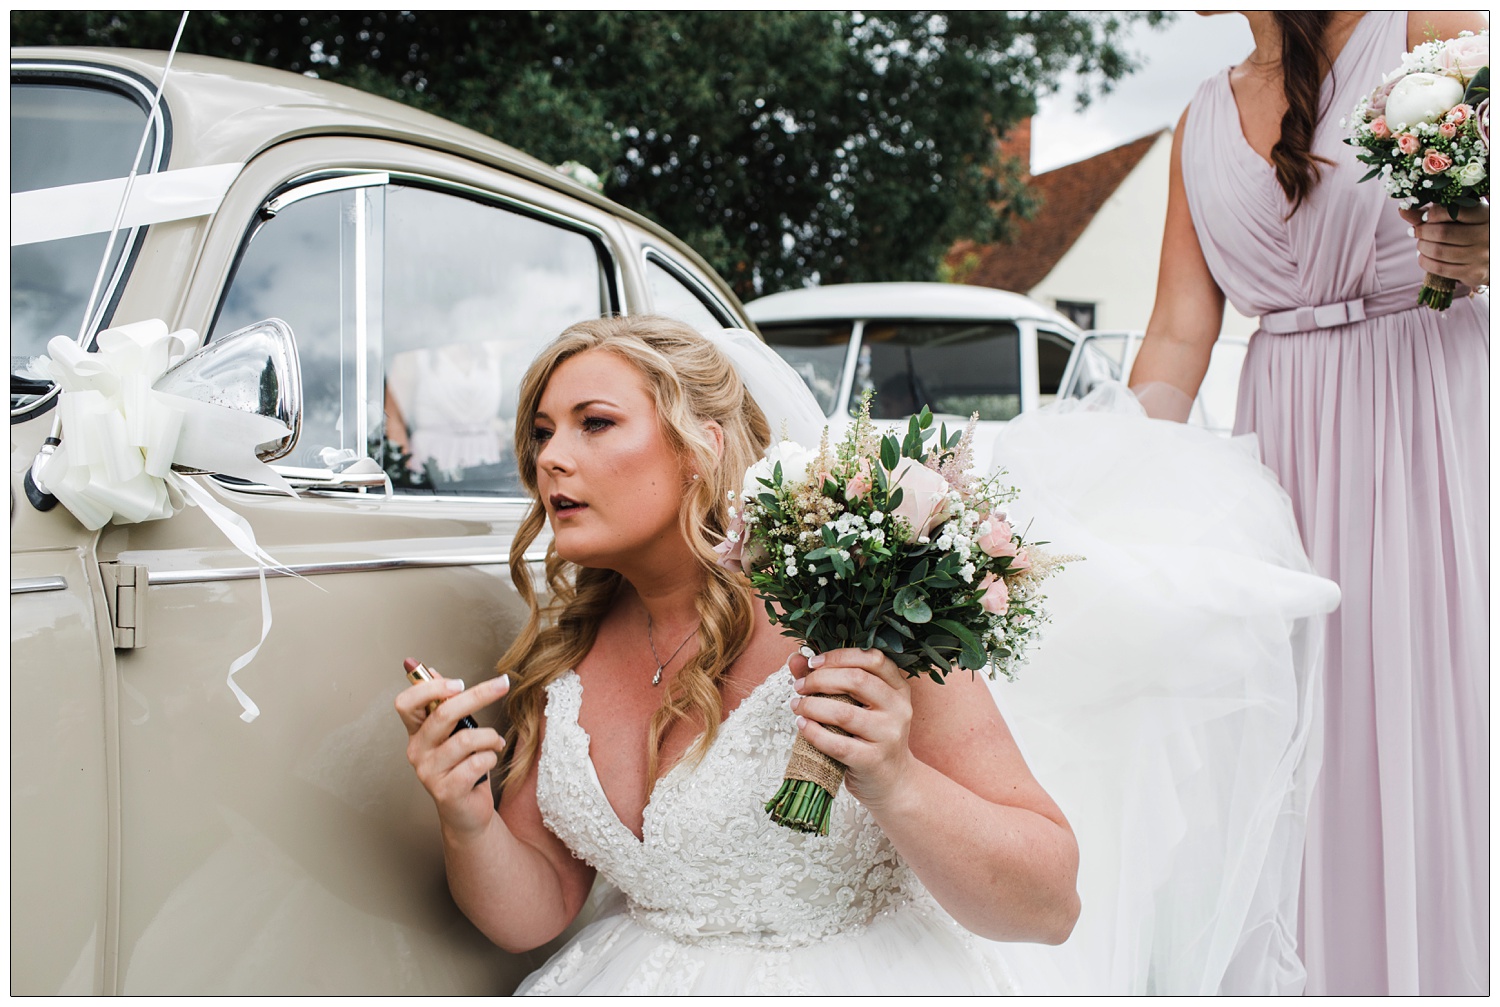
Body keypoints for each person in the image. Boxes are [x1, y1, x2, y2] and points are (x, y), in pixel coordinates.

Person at [396, 314, 1340, 995]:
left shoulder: (854, 608)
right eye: (541, 432)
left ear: (700, 447)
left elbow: (1050, 902)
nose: (551, 458)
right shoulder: (558, 661)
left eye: (594, 423)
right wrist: (467, 814)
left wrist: (894, 777)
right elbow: (537, 913)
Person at [1128, 11, 1488, 996]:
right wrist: (1123, 481)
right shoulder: (1198, 120)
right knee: (1293, 735)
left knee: (1426, 703)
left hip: (1424, 425)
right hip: (1280, 460)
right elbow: (1174, 334)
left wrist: (1482, 239)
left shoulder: (1439, 32)